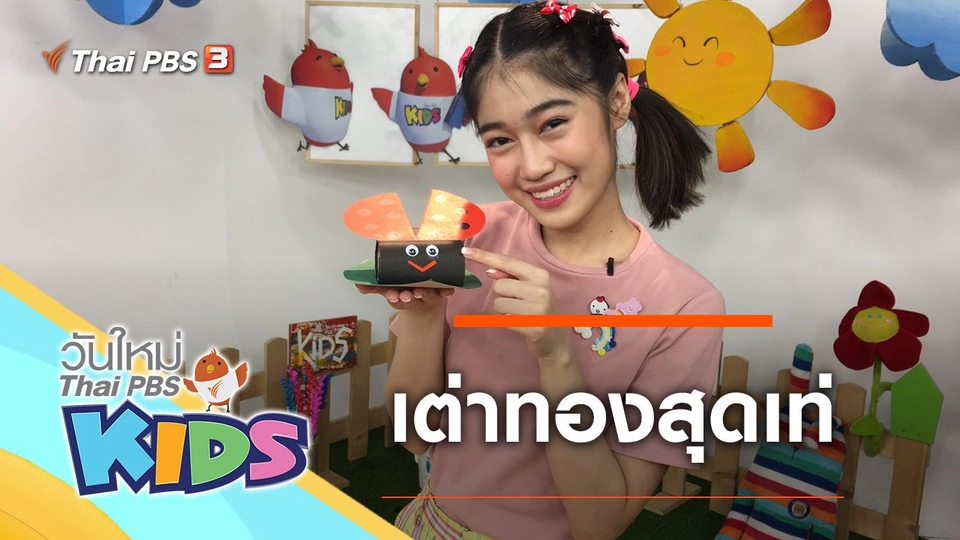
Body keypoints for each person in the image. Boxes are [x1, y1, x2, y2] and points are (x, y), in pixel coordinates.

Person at [356, 2, 725, 538]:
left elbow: (600, 523)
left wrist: (557, 356)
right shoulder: (472, 236)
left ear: (616, 100)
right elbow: (417, 436)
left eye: (553, 123)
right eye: (499, 140)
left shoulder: (687, 307)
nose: (532, 167)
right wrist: (423, 313)